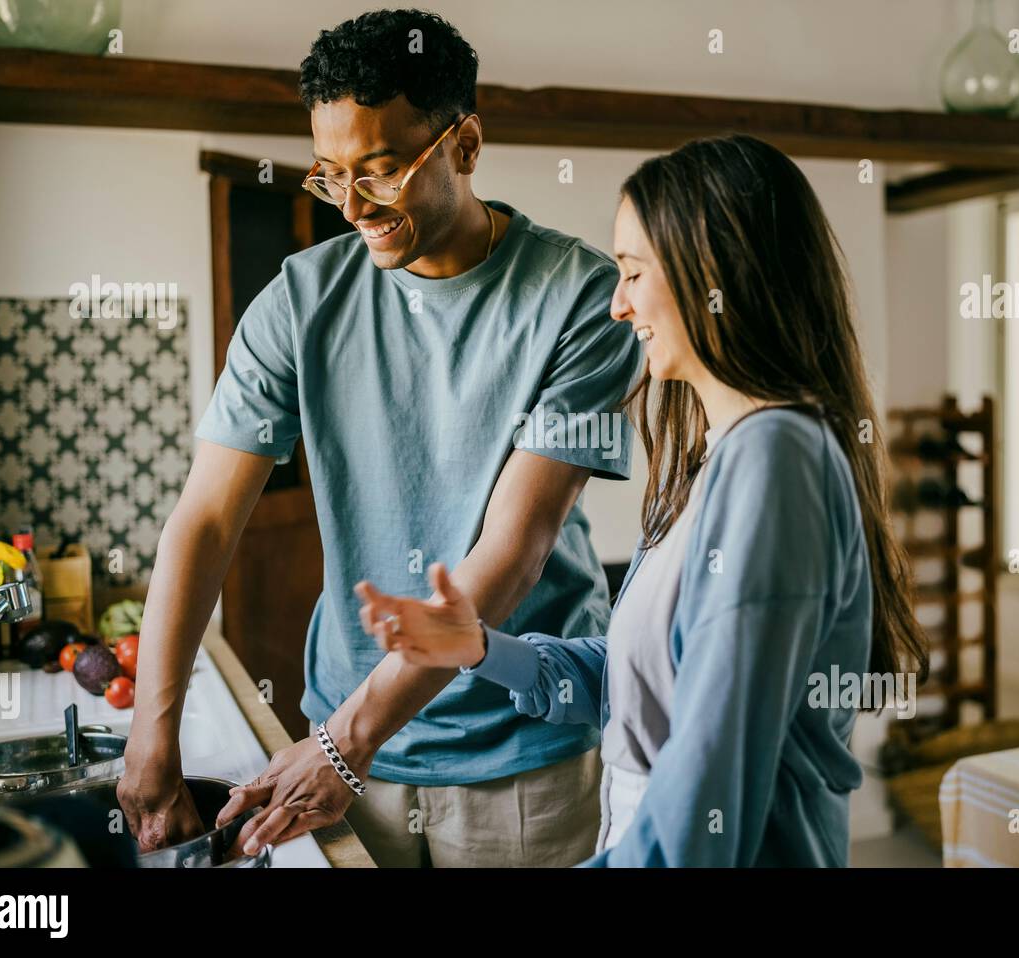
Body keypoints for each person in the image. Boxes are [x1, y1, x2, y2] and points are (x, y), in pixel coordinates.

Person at [118, 9, 640, 868]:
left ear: (464, 146)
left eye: (383, 170)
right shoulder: (298, 302)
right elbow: (206, 520)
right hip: (347, 742)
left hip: (523, 758)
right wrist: (152, 726)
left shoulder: (582, 299)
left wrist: (343, 745)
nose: (353, 207)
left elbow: (511, 557)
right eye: (330, 177)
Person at [356, 135, 929, 866]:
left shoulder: (776, 462)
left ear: (711, 275)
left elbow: (705, 791)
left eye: (631, 274)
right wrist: (479, 648)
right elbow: (646, 679)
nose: (618, 306)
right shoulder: (725, 455)